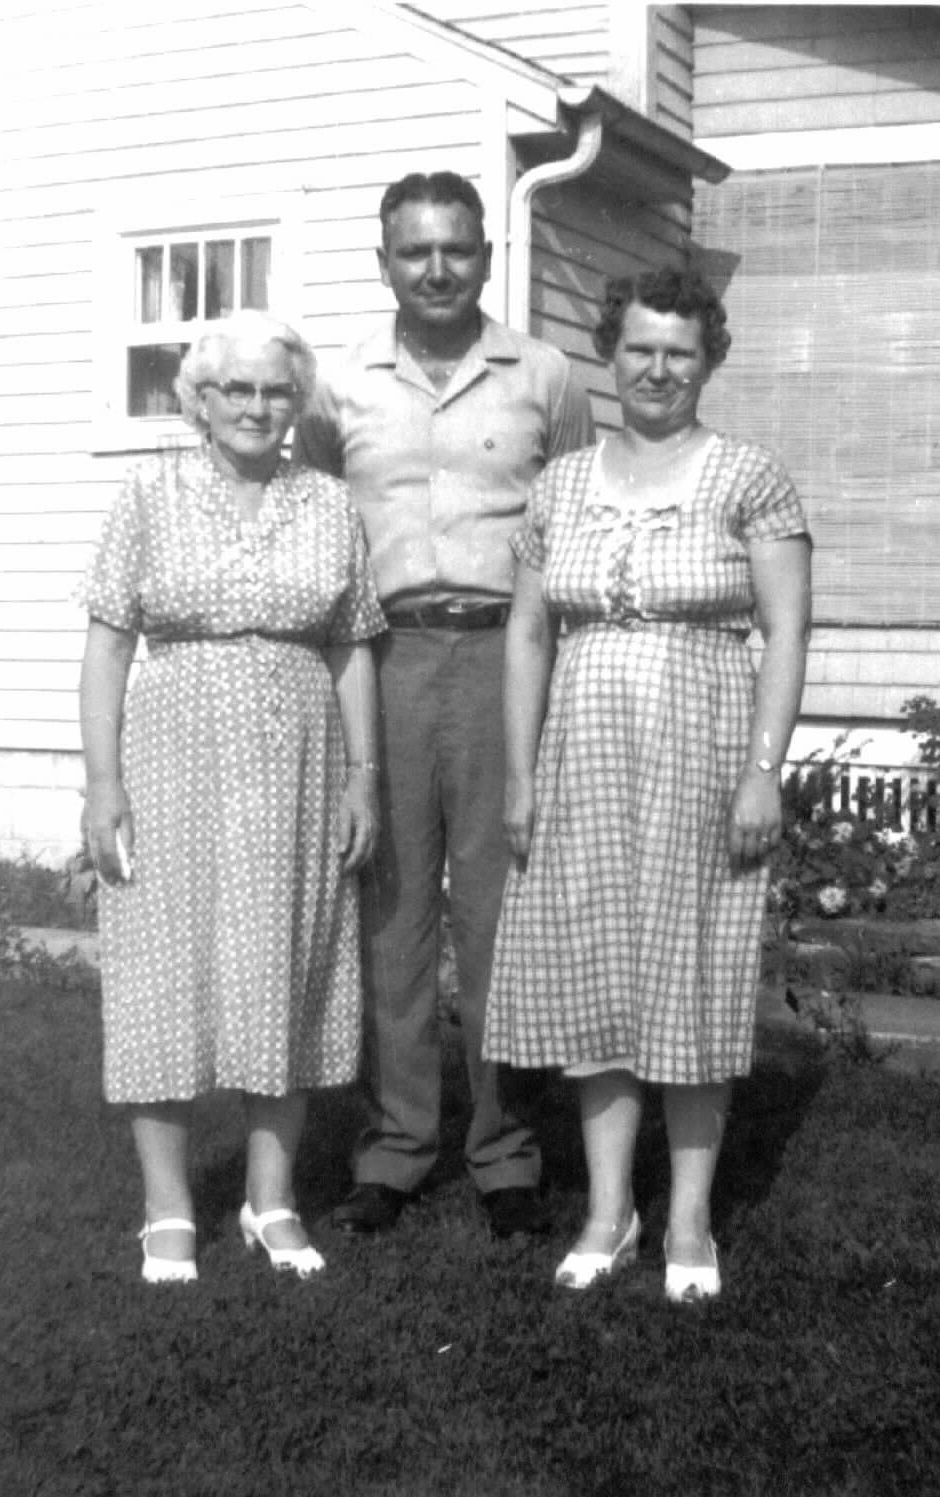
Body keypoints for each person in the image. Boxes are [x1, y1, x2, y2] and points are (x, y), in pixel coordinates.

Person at [483, 266, 813, 1302]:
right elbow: (528, 631)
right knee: (594, 973)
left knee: (692, 976)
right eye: (640, 348)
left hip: (703, 750)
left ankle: (690, 1221)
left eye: (680, 351)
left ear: (709, 360)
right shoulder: (561, 484)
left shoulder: (749, 476)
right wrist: (520, 774)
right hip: (582, 752)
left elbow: (787, 631)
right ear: (610, 353)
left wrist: (763, 772)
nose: (658, 369)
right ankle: (607, 1211)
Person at [294, 170, 595, 1238]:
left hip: (504, 655)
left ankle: (506, 1151)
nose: (436, 269)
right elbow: (319, 509)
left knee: (500, 909)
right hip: (383, 657)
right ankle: (396, 1145)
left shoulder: (544, 377)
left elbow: (577, 513)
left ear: (485, 257)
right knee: (392, 909)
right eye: (415, 251)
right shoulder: (339, 387)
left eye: (456, 250)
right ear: (384, 262)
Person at [79, 311, 386, 1284]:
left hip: (299, 765)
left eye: (276, 390)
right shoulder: (149, 492)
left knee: (287, 964)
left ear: (298, 403)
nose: (257, 407)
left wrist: (364, 776)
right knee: (162, 973)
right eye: (236, 389)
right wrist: (103, 782)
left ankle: (271, 1199)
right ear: (199, 400)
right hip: (172, 758)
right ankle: (168, 1209)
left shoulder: (327, 503)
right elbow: (108, 644)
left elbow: (351, 646)